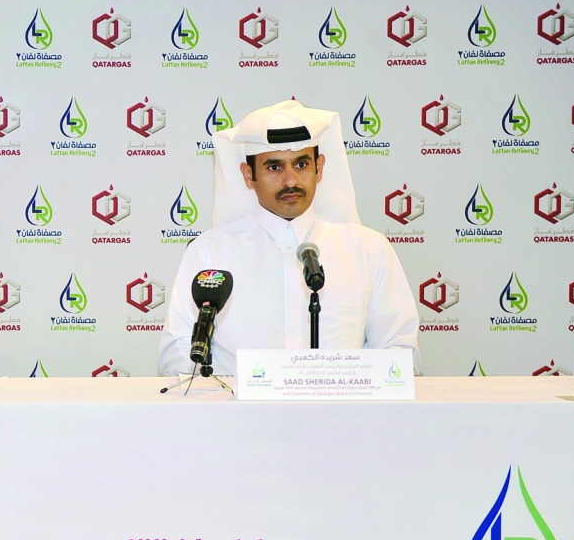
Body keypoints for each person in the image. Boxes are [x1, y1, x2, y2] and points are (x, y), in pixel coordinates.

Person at [158, 99, 419, 376]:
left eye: (301, 164)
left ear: (319, 168)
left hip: (343, 417)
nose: (291, 181)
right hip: (238, 415)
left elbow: (399, 352)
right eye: (274, 167)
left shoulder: (369, 249)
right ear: (248, 175)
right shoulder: (210, 253)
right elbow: (177, 356)